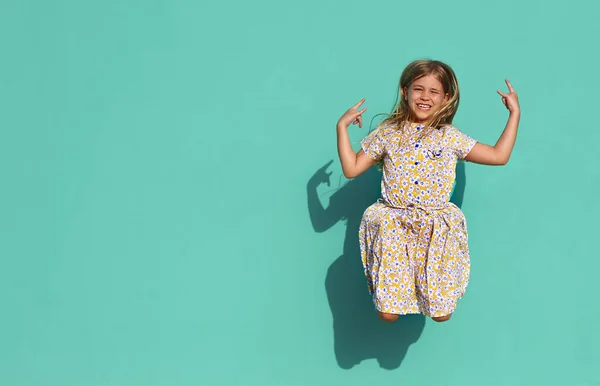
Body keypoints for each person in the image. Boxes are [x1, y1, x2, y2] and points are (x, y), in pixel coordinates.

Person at [335, 59, 520, 323]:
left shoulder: (449, 136)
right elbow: (351, 168)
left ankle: (429, 294)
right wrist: (341, 128)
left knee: (441, 314)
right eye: (419, 89)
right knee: (388, 315)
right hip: (394, 227)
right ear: (405, 91)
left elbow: (499, 156)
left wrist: (514, 115)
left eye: (434, 92)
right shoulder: (388, 133)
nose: (425, 97)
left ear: (446, 98)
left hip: (434, 227)